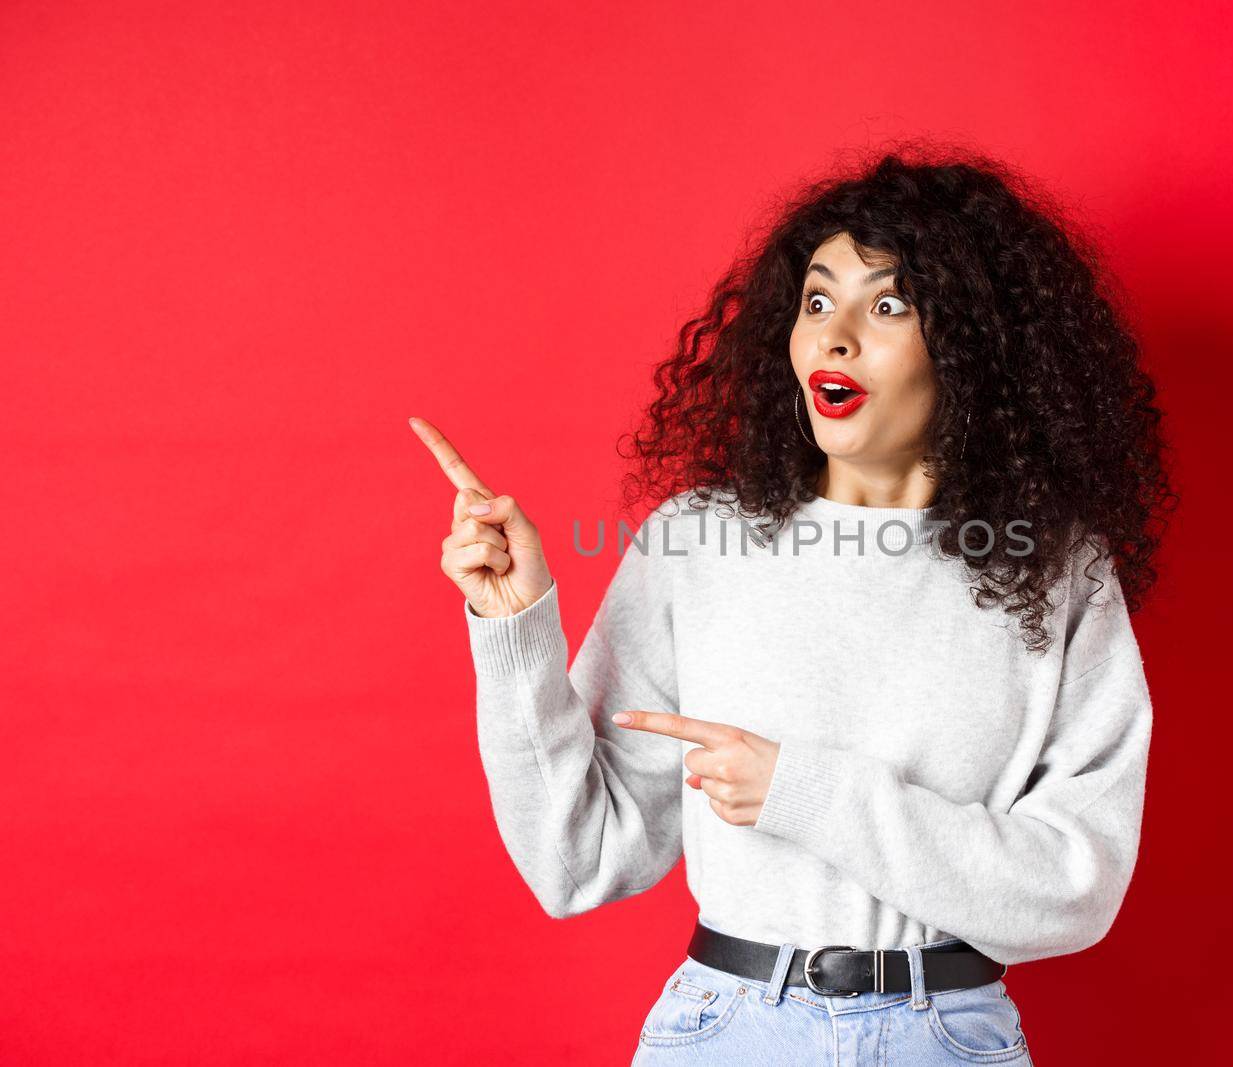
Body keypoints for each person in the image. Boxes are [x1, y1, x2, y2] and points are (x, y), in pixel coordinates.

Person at [411, 146, 1176, 1065]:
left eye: (886, 304)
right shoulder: (697, 542)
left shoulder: (1056, 571)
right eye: (818, 301)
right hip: (726, 1031)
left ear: (974, 341)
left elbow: (1073, 890)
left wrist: (802, 792)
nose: (834, 337)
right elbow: (579, 859)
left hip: (947, 1036)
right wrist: (516, 633)